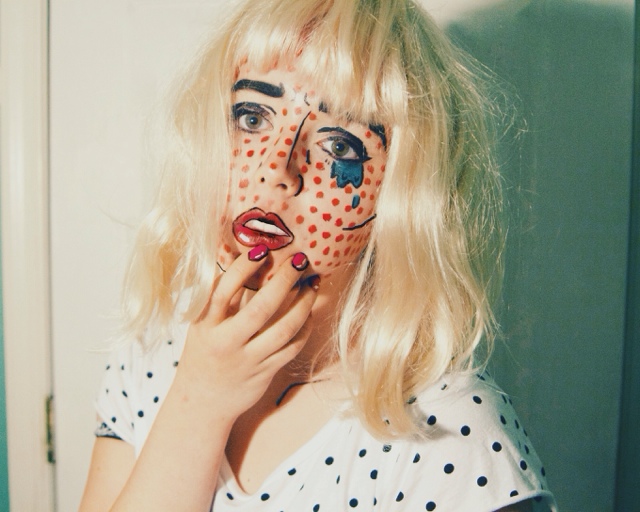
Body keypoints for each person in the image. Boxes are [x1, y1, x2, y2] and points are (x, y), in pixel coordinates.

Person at [79, 0, 558, 510]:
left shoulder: (450, 437)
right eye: (252, 117)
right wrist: (197, 402)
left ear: (400, 195)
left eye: (339, 147)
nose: (276, 170)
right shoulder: (152, 351)